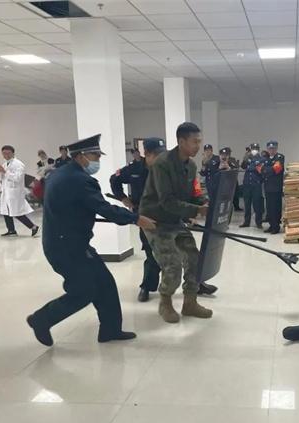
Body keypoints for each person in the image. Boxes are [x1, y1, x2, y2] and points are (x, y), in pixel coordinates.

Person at [26, 134, 156, 347]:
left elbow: (73, 205)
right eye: (95, 156)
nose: (98, 160)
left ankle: (110, 330)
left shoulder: (60, 173)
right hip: (67, 247)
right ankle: (41, 319)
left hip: (67, 242)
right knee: (84, 291)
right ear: (81, 156)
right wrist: (136, 219)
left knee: (104, 283)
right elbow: (103, 208)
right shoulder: (80, 180)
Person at [139, 122, 213, 324]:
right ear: (181, 141)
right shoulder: (162, 164)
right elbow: (167, 201)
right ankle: (165, 302)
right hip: (154, 221)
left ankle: (190, 303)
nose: (198, 146)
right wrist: (196, 210)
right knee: (172, 264)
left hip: (174, 219)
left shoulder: (191, 165)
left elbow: (192, 193)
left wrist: (203, 202)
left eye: (199, 142)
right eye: (194, 142)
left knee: (194, 258)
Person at [110, 140, 165, 303]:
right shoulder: (134, 169)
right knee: (151, 251)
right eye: (157, 154)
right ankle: (147, 286)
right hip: (144, 217)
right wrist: (123, 198)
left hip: (167, 215)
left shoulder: (166, 168)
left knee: (184, 250)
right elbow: (114, 180)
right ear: (147, 154)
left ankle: (196, 284)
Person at [0, 145, 39, 237]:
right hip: (6, 191)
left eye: (8, 153)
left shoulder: (19, 164)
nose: (6, 155)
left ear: (13, 153)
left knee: (16, 212)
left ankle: (33, 227)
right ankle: (11, 230)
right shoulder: (4, 164)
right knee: (6, 211)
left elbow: (17, 178)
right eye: (4, 153)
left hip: (15, 192)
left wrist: (5, 172)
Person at [261, 140, 285, 234]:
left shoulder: (280, 157)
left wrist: (266, 170)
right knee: (269, 208)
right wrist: (269, 169)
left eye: (273, 148)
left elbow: (277, 169)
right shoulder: (265, 158)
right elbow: (260, 169)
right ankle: (271, 225)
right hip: (267, 187)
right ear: (267, 149)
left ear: (276, 148)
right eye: (270, 149)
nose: (271, 150)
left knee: (276, 208)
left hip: (276, 187)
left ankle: (276, 227)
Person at [240, 143, 264, 228]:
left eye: (256, 149)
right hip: (247, 184)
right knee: (247, 204)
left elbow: (259, 170)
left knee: (257, 204)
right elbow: (243, 166)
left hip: (256, 184)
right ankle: (246, 222)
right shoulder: (247, 158)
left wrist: (251, 166)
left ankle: (258, 222)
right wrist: (245, 158)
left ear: (258, 150)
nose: (254, 150)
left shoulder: (261, 159)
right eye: (253, 149)